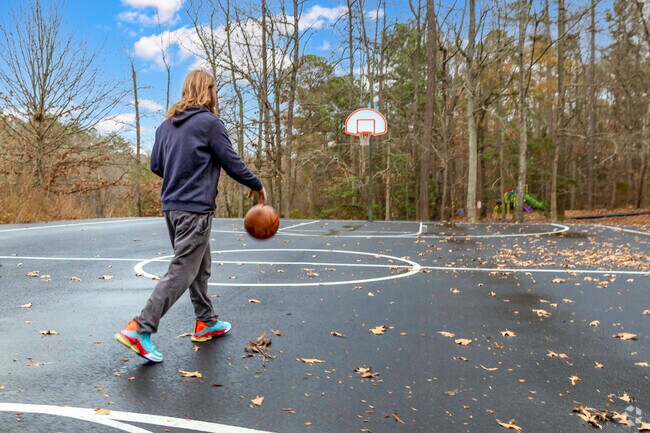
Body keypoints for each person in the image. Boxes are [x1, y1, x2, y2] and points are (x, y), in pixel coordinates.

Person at [115, 69, 266, 363]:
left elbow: (156, 165)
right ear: (207, 90)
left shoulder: (165, 126)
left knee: (198, 264)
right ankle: (140, 328)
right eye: (214, 90)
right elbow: (230, 161)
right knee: (184, 269)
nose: (215, 96)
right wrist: (256, 184)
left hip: (172, 208)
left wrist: (180, 171)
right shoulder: (209, 124)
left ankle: (206, 322)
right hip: (195, 209)